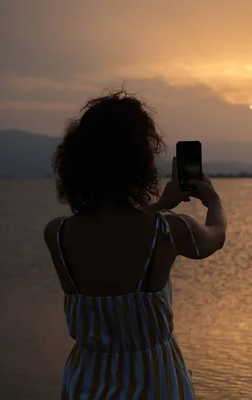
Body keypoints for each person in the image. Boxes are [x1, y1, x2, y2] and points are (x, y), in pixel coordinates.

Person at [43, 89, 227, 399]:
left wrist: (160, 205)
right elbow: (216, 236)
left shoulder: (57, 235)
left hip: (86, 384)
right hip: (155, 384)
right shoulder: (169, 231)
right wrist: (215, 201)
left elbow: (114, 232)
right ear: (140, 160)